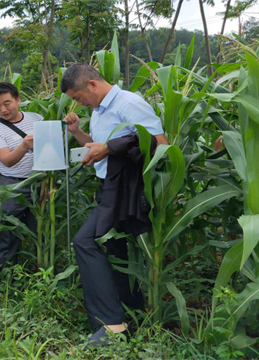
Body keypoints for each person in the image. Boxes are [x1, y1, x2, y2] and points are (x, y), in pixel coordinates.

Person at [61, 64, 168, 346]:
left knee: (86, 240)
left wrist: (106, 148)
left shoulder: (128, 103)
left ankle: (112, 325)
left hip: (126, 190)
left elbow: (159, 143)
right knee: (114, 249)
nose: (78, 103)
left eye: (78, 96)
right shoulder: (99, 111)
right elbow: (98, 147)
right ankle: (130, 312)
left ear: (93, 85)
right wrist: (77, 133)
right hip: (109, 186)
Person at [0, 82, 43, 266]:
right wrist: (24, 145)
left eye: (7, 103)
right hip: (12, 185)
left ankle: (42, 270)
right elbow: (7, 160)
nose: (2, 109)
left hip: (40, 182)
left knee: (41, 229)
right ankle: (6, 275)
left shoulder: (37, 119)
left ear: (18, 100)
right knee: (8, 232)